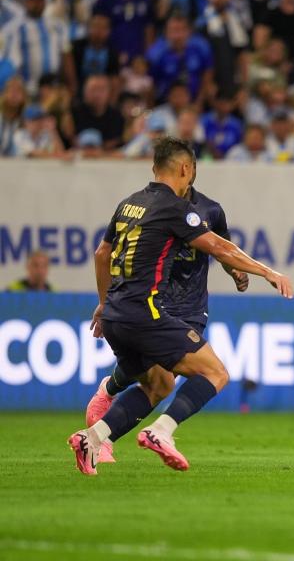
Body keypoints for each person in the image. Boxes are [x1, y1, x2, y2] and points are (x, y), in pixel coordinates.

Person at [68, 137, 293, 475]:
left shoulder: (129, 203)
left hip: (116, 315)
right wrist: (267, 271)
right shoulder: (174, 207)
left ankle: (92, 438)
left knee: (159, 384)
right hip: (146, 314)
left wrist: (103, 302)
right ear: (186, 169)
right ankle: (161, 431)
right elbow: (220, 247)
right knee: (215, 373)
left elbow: (102, 253)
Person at [84, 177, 250, 464]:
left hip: (192, 308)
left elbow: (222, 248)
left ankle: (99, 437)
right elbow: (112, 253)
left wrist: (233, 271)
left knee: (162, 381)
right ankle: (119, 399)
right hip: (157, 303)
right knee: (174, 378)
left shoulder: (210, 210)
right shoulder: (156, 209)